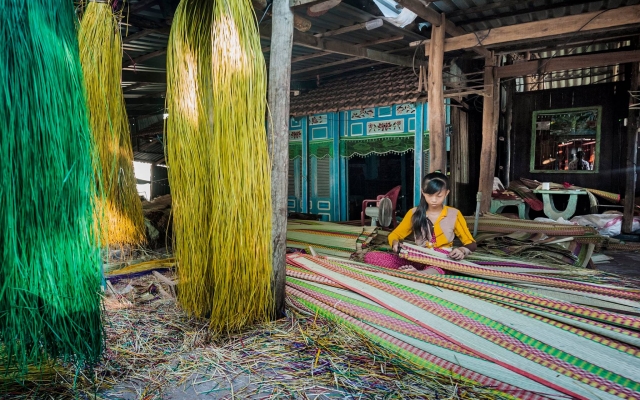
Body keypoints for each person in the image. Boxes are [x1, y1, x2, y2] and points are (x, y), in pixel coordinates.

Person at [388, 172, 477, 261]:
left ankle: (421, 273)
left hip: (444, 259)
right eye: (430, 195)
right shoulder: (414, 213)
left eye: (439, 196)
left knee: (436, 268)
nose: (434, 200)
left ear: (446, 193)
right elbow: (395, 235)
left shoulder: (454, 214)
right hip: (419, 257)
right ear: (423, 192)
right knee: (378, 257)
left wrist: (462, 250)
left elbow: (471, 243)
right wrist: (395, 243)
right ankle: (418, 271)